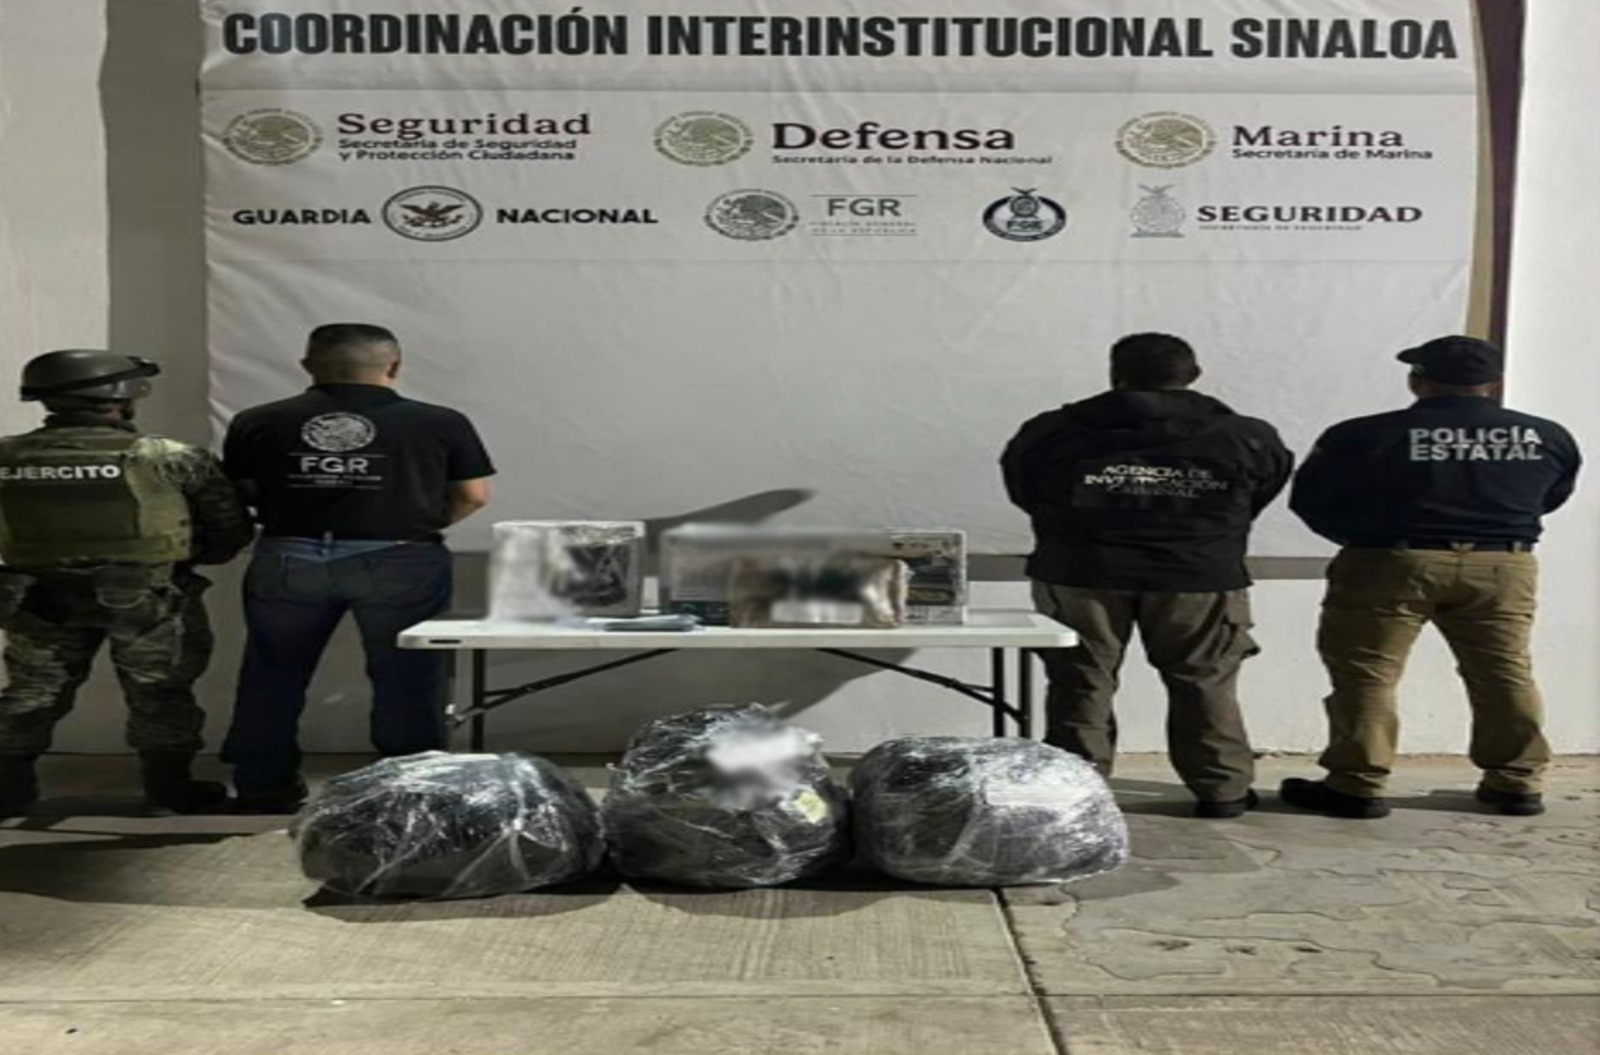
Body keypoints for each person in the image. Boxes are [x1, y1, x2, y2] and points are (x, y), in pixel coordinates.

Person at [1282, 336, 1580, 819]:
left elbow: (1312, 500)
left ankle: (1357, 784)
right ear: (1494, 383)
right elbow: (1551, 495)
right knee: (1504, 671)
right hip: (1504, 564)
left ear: (1418, 381)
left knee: (1368, 674)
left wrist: (1365, 539)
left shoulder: (1362, 435)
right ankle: (1516, 782)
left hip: (1390, 561)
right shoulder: (1547, 436)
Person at [1001, 333, 1293, 818]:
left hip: (1081, 571)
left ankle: (1077, 793)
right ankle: (1222, 790)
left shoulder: (1052, 430)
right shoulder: (1247, 436)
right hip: (1199, 576)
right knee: (1205, 681)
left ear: (1115, 374)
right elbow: (1259, 492)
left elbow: (1024, 489)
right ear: (1192, 376)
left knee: (1081, 680)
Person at [220, 323, 494, 813]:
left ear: (308, 365)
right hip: (401, 557)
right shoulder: (440, 422)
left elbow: (245, 492)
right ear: (394, 367)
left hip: (290, 554)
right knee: (407, 677)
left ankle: (262, 785)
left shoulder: (257, 421)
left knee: (273, 673)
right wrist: (415, 525)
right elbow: (473, 495)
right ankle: (409, 792)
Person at [0, 350, 253, 817]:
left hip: (39, 597)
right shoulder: (168, 456)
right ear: (121, 396)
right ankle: (169, 789)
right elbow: (229, 530)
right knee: (160, 691)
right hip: (146, 597)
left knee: (32, 692)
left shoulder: (6, 455)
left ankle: (7, 792)